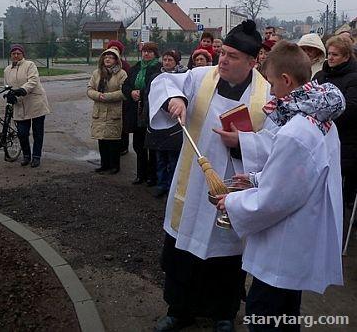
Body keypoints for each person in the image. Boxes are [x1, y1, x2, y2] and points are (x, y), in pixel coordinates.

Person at [149, 20, 272, 332]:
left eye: (232, 56)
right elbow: (165, 82)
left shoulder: (266, 96)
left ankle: (223, 314)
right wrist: (175, 99)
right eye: (224, 53)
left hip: (229, 192)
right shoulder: (201, 77)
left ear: (252, 61)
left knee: (226, 258)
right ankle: (179, 310)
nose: (224, 60)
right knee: (181, 254)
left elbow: (276, 143)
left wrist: (242, 142)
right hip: (192, 188)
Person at [218, 41, 345, 331]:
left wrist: (233, 202)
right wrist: (255, 178)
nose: (272, 91)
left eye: (273, 84)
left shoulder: (296, 132)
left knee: (264, 313)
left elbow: (276, 199)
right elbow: (299, 176)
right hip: (298, 241)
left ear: (286, 80)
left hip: (282, 247)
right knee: (287, 313)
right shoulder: (321, 118)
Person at [313, 35, 357, 209]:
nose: (330, 58)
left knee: (340, 191)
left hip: (345, 141)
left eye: (335, 55)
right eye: (329, 54)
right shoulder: (320, 75)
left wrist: (323, 114)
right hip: (319, 138)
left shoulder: (353, 78)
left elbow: (352, 109)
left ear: (346, 56)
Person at [145, 50, 188, 198]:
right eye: (165, 60)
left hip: (175, 125)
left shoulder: (182, 77)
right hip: (158, 123)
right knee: (160, 158)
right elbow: (149, 96)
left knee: (173, 159)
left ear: (176, 62)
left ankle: (172, 186)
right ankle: (161, 184)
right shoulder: (155, 77)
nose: (167, 62)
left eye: (170, 60)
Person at [4, 44, 50, 168]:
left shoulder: (30, 65)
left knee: (37, 132)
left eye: (18, 53)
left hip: (35, 103)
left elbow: (33, 80)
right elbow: (7, 86)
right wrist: (9, 94)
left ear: (23, 54)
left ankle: (36, 157)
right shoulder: (7, 70)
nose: (16, 55)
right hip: (19, 105)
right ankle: (26, 155)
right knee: (22, 133)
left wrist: (22, 90)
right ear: (11, 55)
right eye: (13, 53)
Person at [122, 41, 161, 185]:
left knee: (151, 145)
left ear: (155, 54)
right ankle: (140, 174)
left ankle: (152, 176)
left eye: (149, 52)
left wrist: (142, 93)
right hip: (135, 111)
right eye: (144, 51)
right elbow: (125, 85)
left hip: (150, 111)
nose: (146, 54)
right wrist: (131, 92)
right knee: (138, 145)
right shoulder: (136, 68)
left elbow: (157, 87)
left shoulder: (158, 68)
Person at [87, 47, 127, 174]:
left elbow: (124, 92)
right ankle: (104, 164)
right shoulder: (96, 73)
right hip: (99, 111)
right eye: (105, 57)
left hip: (113, 111)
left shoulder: (121, 74)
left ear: (116, 60)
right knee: (102, 140)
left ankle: (114, 166)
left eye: (111, 57)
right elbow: (89, 89)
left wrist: (108, 96)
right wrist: (98, 95)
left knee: (113, 141)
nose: (107, 59)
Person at [106, 39, 131, 156]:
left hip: (122, 101)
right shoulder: (104, 67)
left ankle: (123, 146)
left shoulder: (125, 66)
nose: (113, 52)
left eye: (116, 50)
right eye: (111, 49)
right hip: (106, 101)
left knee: (122, 124)